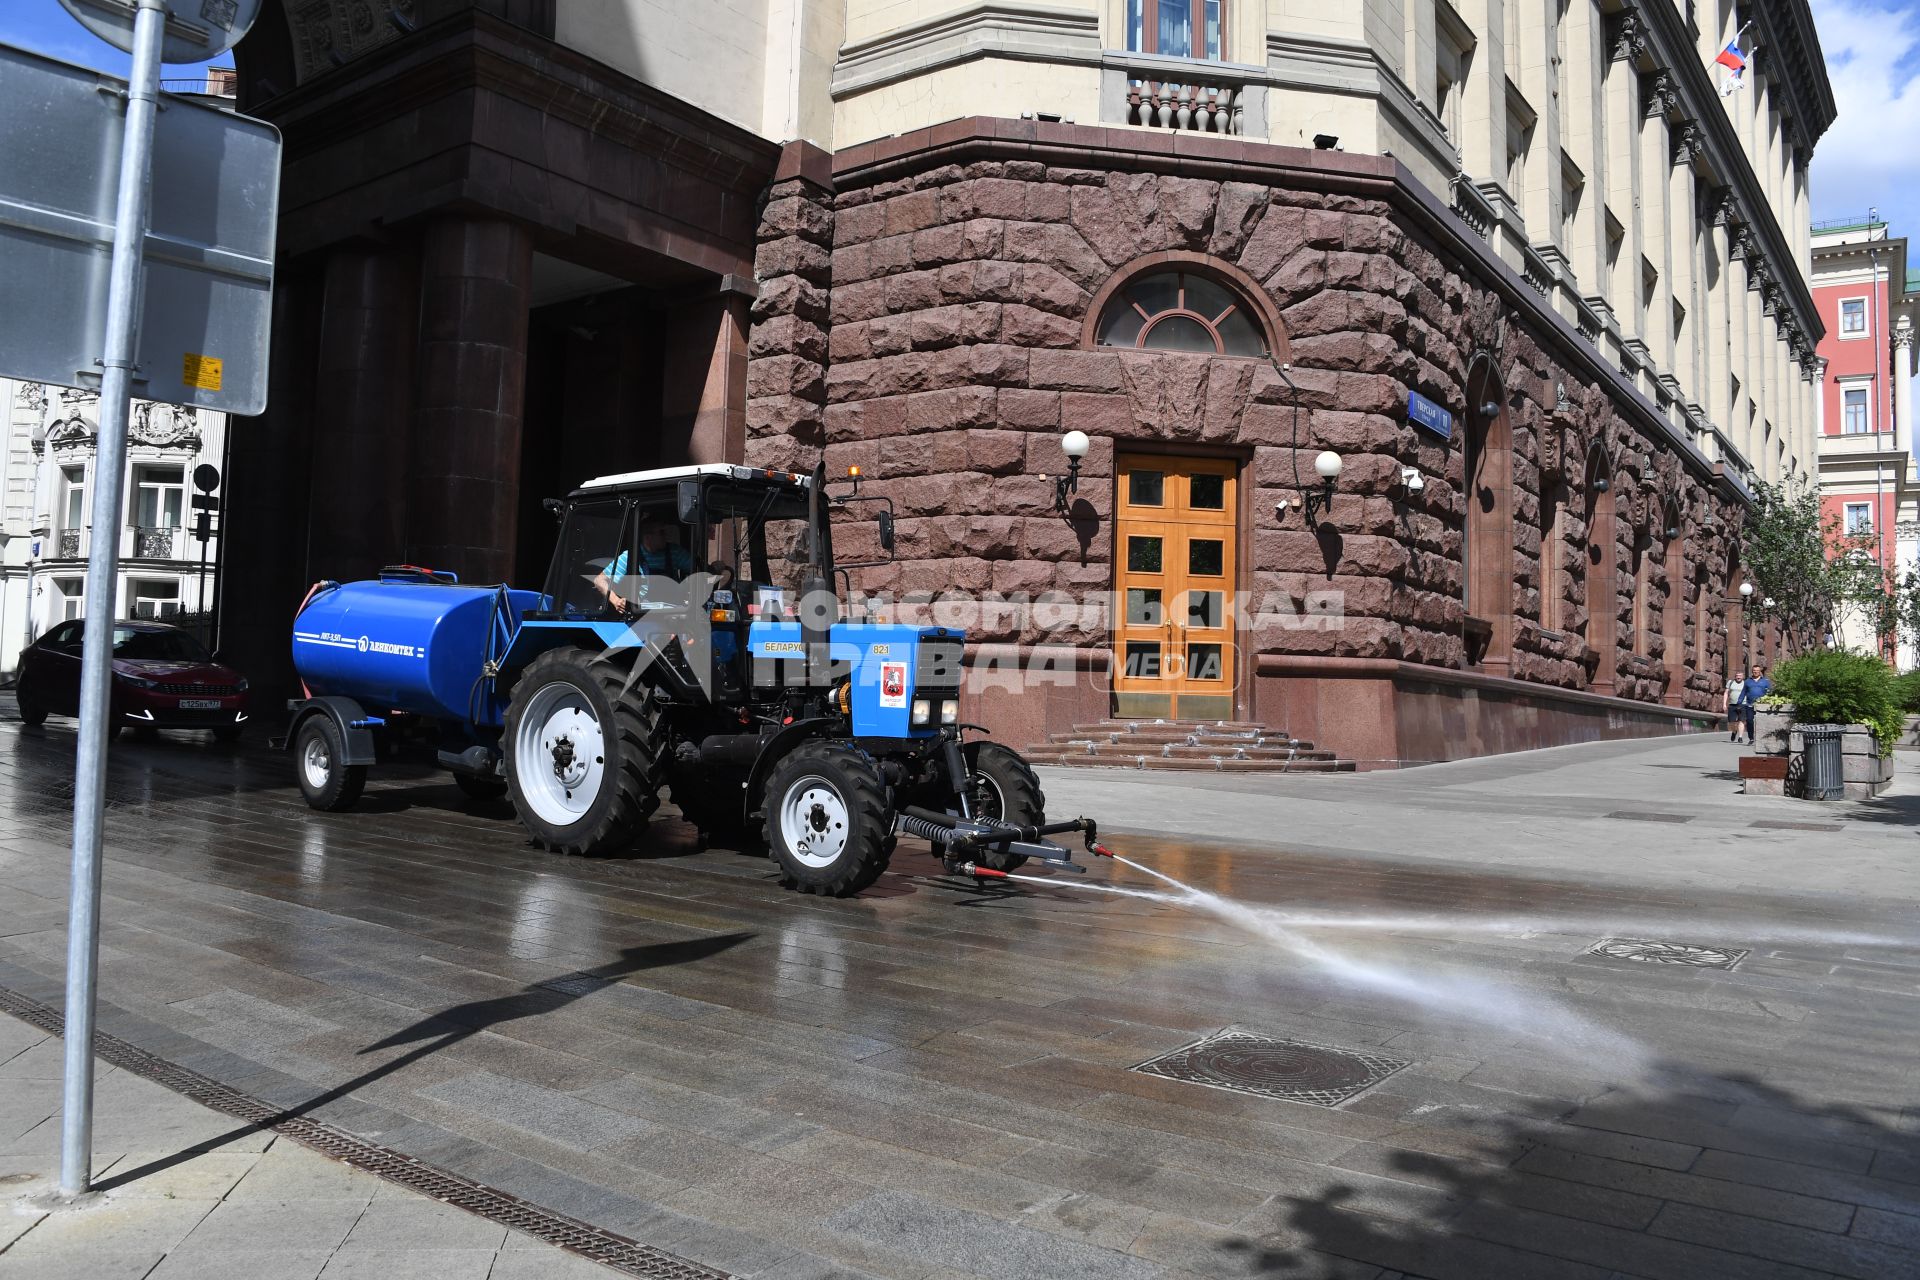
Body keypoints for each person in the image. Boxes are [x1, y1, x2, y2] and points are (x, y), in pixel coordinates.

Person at [595, 516, 694, 614]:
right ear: (648, 537)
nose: (666, 535)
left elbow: (699, 570)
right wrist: (616, 601)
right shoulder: (631, 556)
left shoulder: (675, 552)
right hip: (644, 614)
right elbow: (599, 580)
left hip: (673, 612)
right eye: (661, 532)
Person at [1734, 662, 1771, 746]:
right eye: (1754, 671)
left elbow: (1769, 692)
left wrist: (1769, 702)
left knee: (1761, 722)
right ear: (1752, 671)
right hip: (1750, 705)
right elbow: (1743, 692)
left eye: (1757, 671)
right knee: (1750, 721)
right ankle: (1751, 738)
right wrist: (1739, 703)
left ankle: (1762, 738)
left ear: (1760, 671)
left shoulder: (1765, 681)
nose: (1756, 672)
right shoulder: (1747, 681)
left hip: (1762, 705)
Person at [1724, 669, 1746, 742]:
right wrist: (1724, 704)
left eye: (1740, 676)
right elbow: (1726, 693)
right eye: (1737, 676)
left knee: (1741, 721)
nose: (1738, 677)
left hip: (1743, 704)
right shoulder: (1730, 682)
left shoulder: (1745, 683)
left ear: (1743, 677)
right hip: (1732, 704)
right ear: (1735, 676)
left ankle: (1740, 737)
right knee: (1731, 722)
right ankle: (1734, 732)